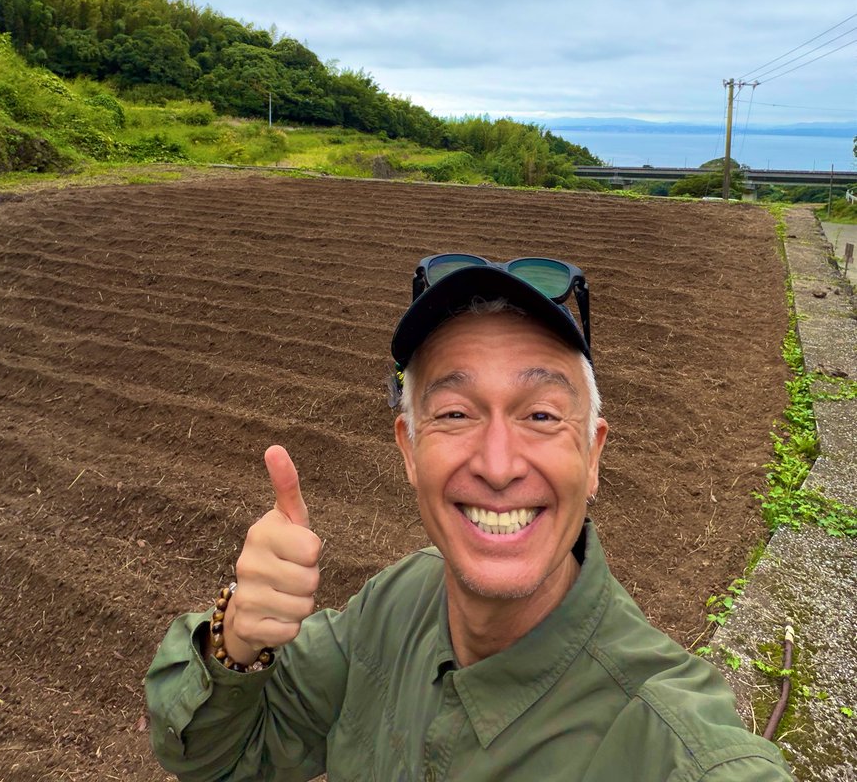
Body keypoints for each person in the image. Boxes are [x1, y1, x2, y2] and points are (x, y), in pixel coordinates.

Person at [146, 252, 791, 780]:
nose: (499, 463)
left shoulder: (678, 751)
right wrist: (233, 643)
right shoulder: (392, 607)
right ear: (409, 447)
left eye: (541, 414)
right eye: (455, 413)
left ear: (592, 456)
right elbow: (216, 754)